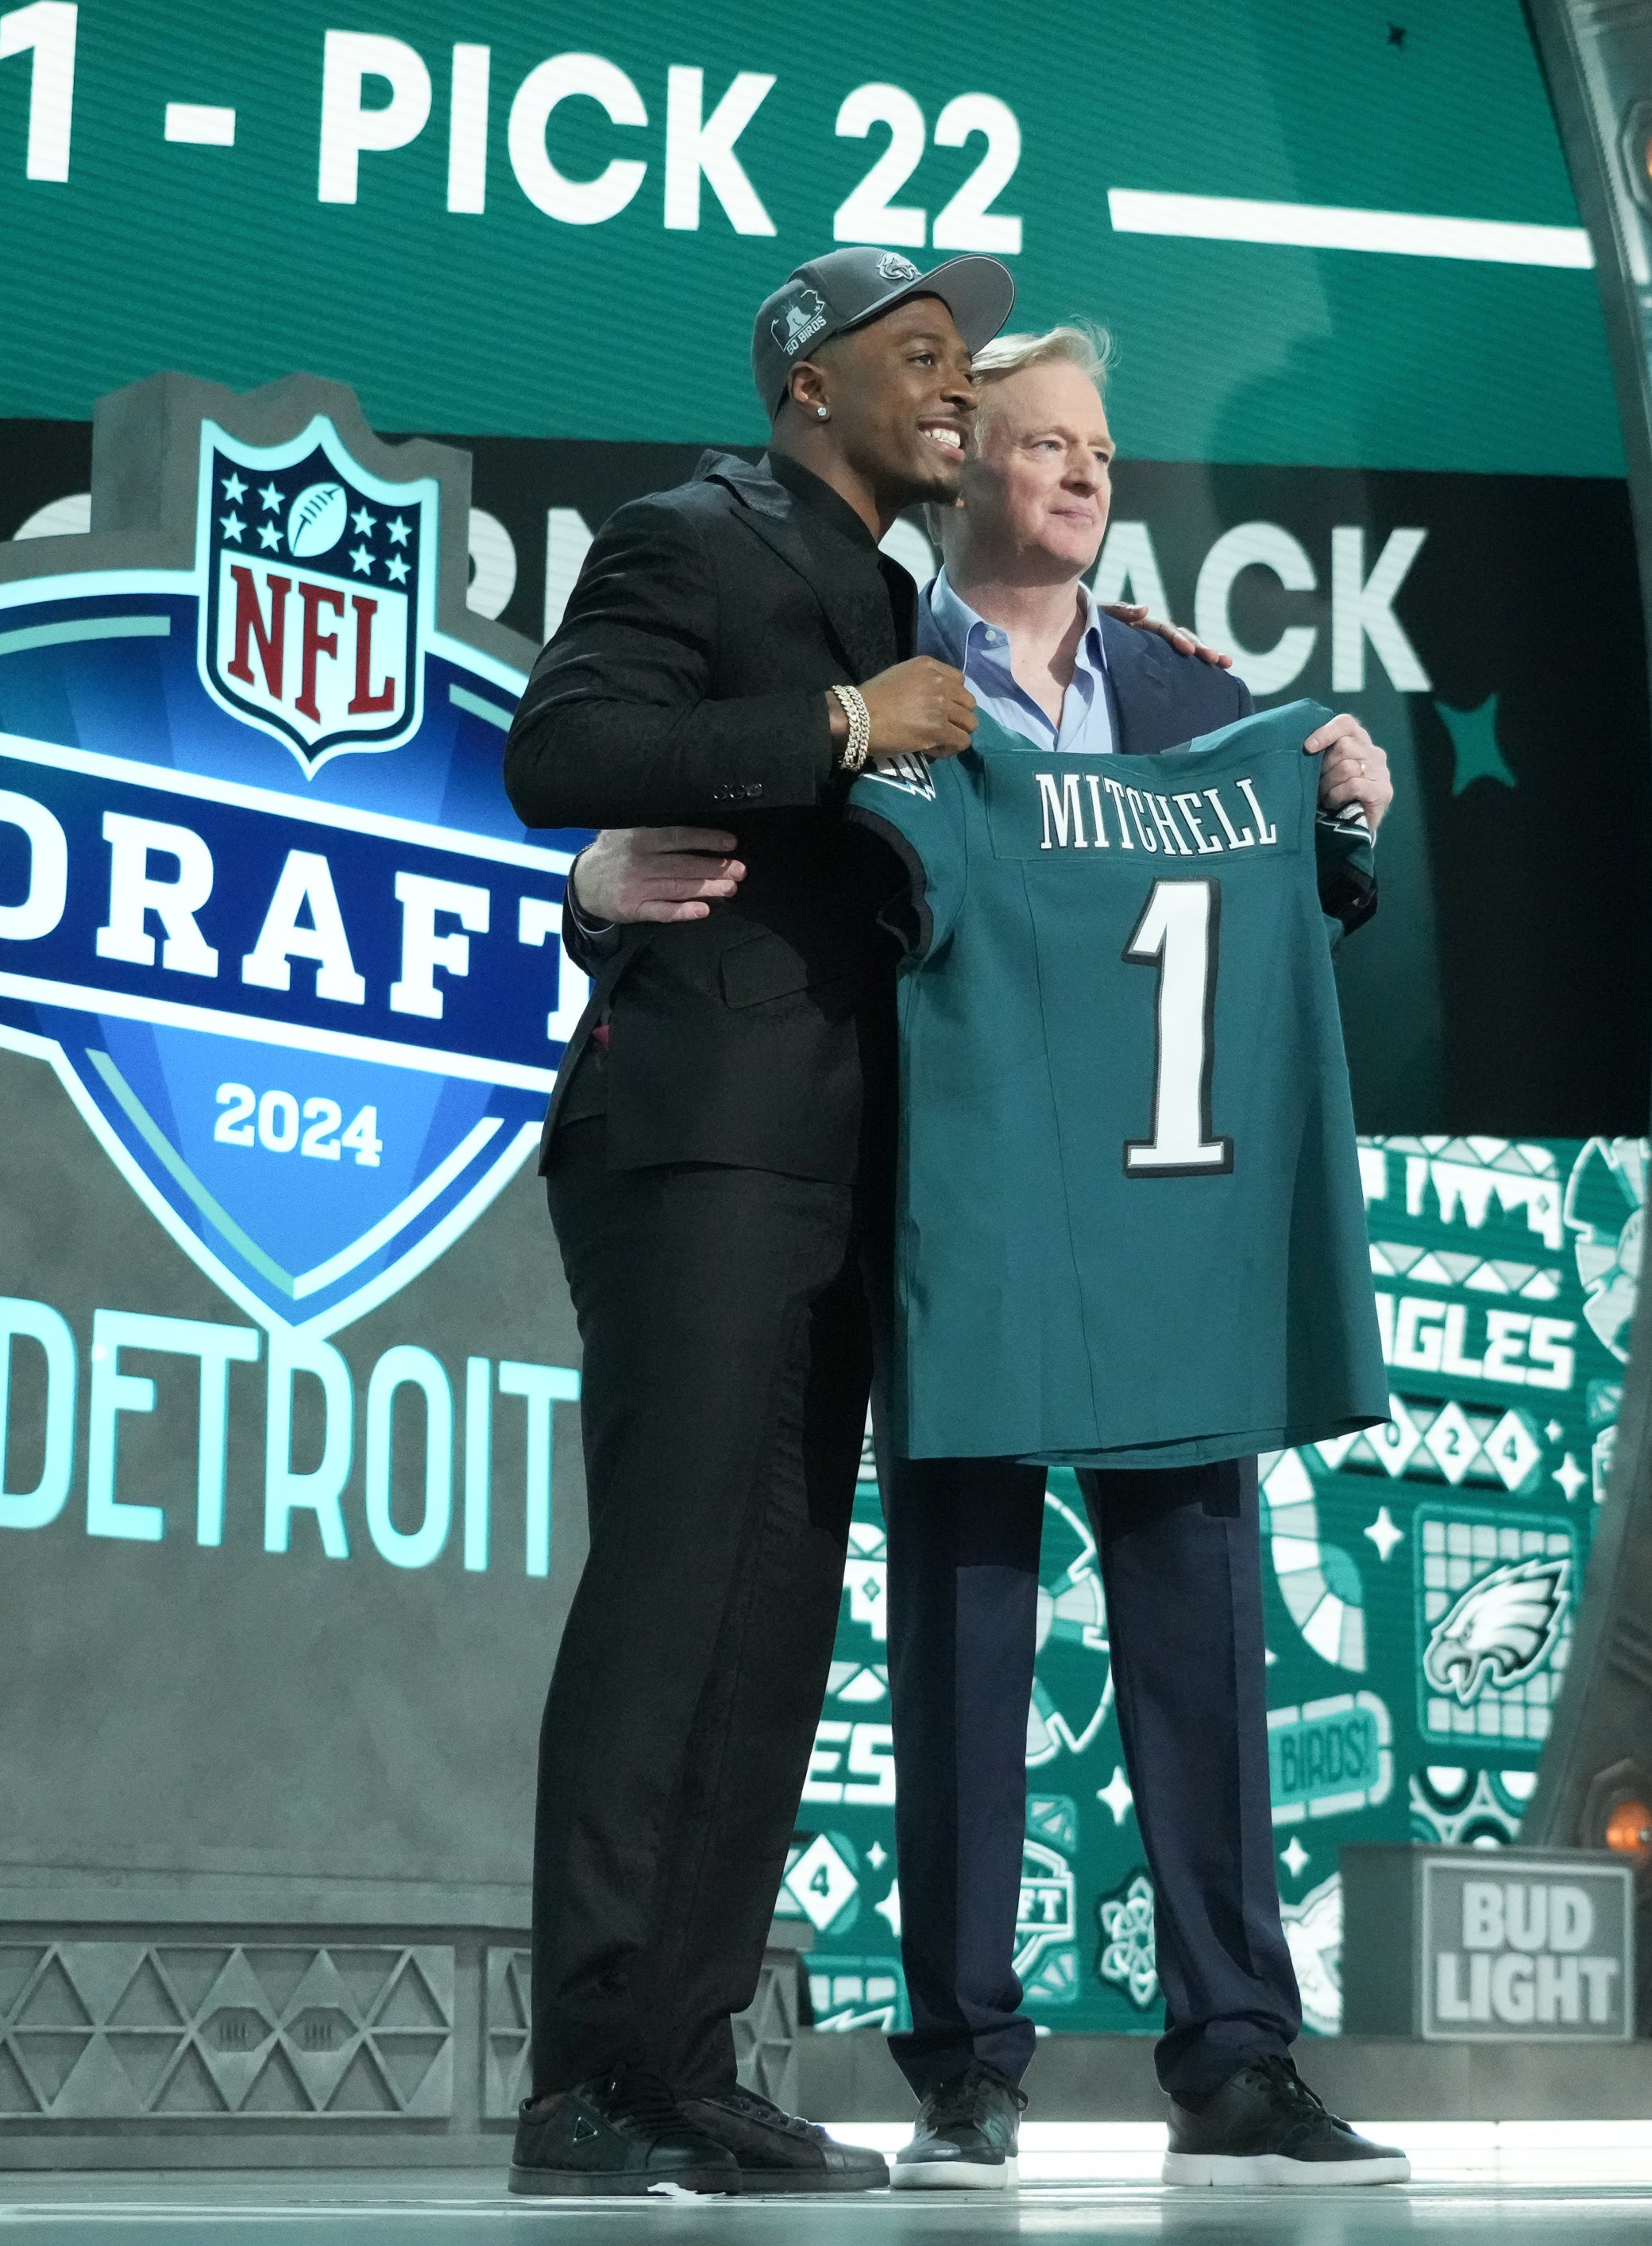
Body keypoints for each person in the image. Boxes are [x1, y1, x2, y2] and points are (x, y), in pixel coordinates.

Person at [574, 323, 1412, 2191]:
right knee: (959, 1632)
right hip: (959, 1226)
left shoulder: (1199, 699)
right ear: (971, 473)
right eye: (1043, 442)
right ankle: (966, 2061)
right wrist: (579, 886)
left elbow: (1294, 904)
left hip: (1166, 1232)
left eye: (1103, 448)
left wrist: (1341, 801)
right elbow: (738, 861)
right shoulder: (879, 670)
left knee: (1201, 1634)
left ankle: (1240, 2054)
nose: (1084, 471)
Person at [496, 245, 1007, 2197]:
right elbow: (564, 752)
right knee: (667, 1596)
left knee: (773, 1622)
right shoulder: (691, 535)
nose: (955, 385)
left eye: (965, 359)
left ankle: (690, 2057)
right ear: (809, 381)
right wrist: (837, 728)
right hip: (694, 1134)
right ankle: (581, 2082)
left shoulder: (897, 592)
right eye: (923, 355)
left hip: (845, 1166)